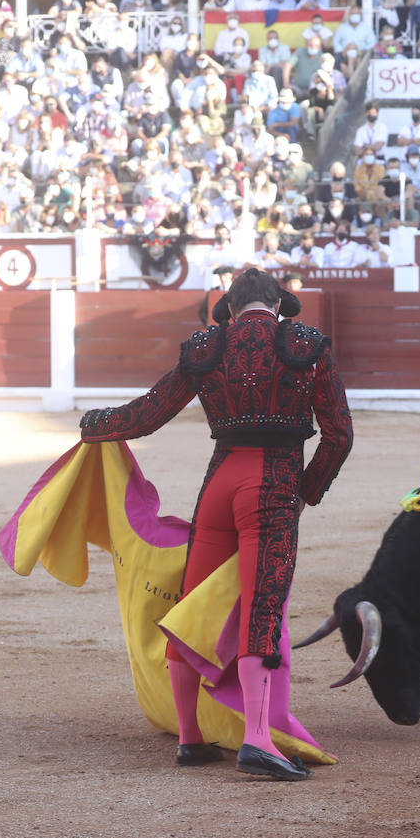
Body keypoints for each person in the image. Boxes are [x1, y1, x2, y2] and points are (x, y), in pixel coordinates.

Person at [78, 269, 353, 781]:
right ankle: (257, 739)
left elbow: (148, 414)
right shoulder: (306, 345)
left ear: (229, 309)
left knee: (193, 608)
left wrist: (97, 425)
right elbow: (339, 436)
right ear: (277, 306)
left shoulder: (207, 347)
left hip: (218, 487)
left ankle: (190, 737)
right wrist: (304, 494)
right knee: (260, 607)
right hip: (270, 486)